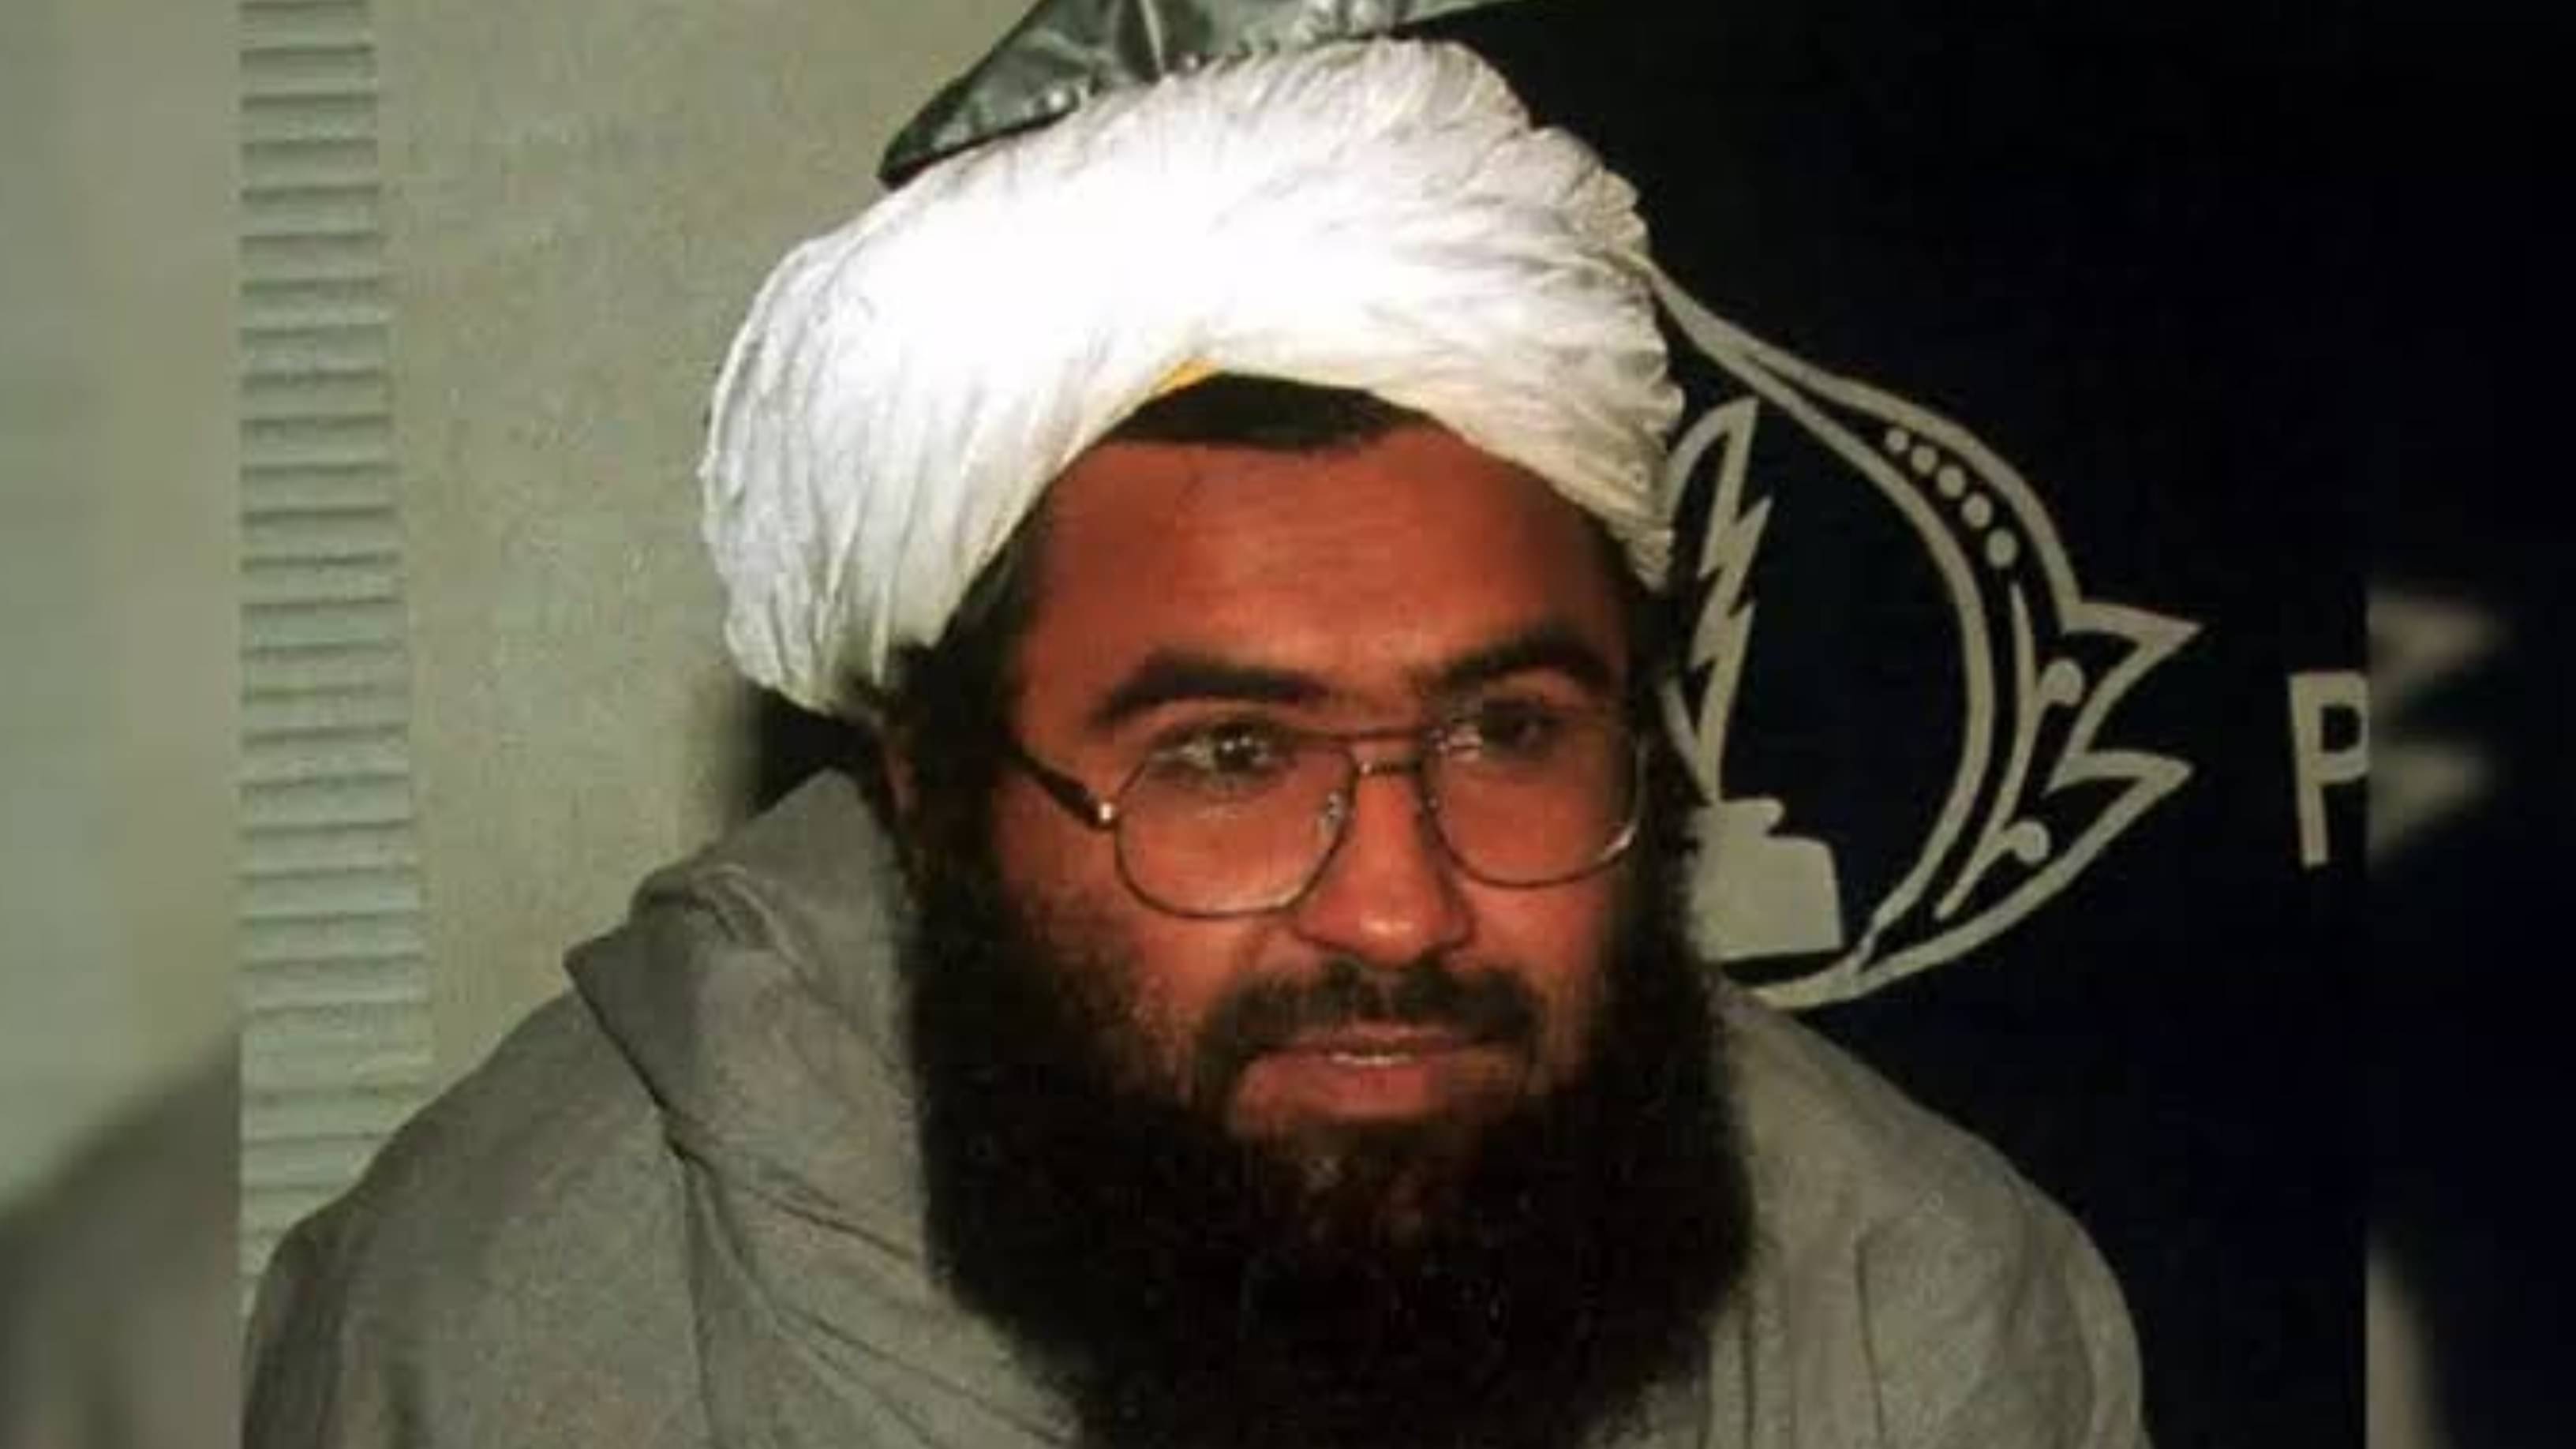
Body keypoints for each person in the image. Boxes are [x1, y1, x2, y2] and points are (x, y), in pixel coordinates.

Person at [245, 13, 2147, 1449]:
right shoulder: (503, 1334)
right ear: (929, 798)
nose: (1399, 909)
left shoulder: (1912, 1310)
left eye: (1505, 731)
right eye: (1230, 758)